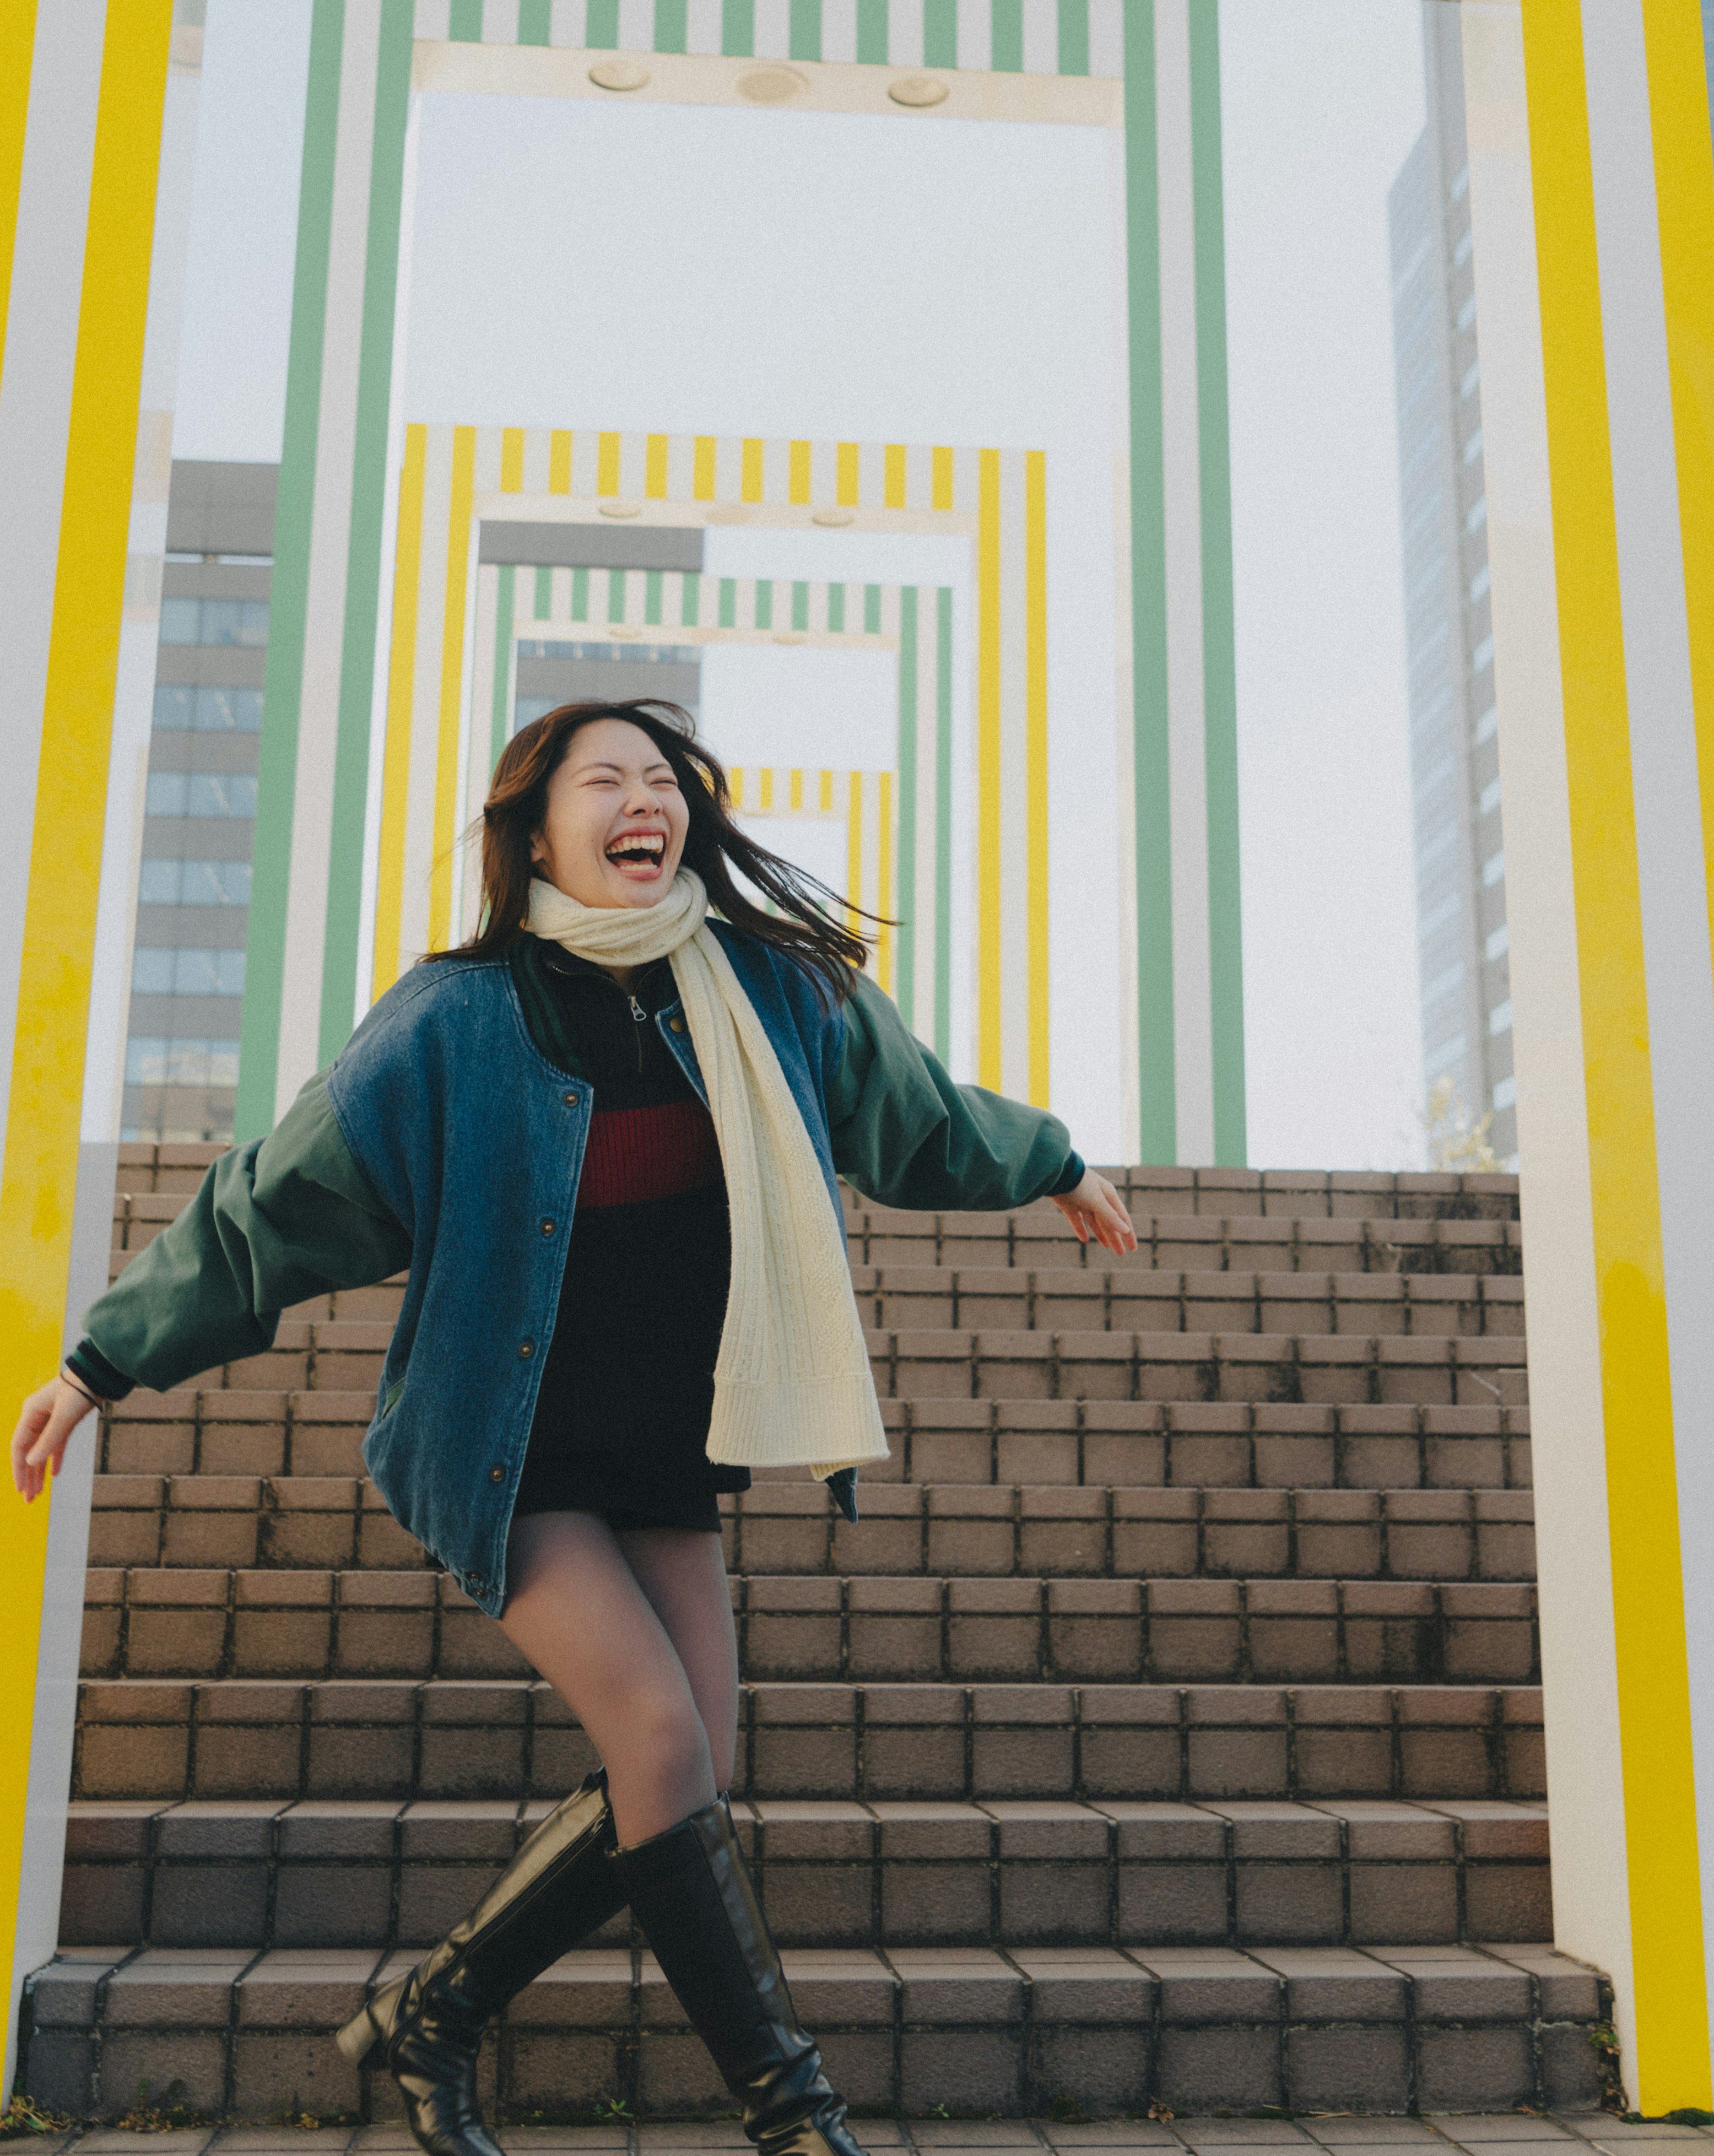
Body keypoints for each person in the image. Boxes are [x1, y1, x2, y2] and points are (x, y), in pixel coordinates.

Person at [13, 699, 1135, 2156]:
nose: (640, 798)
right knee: (661, 1736)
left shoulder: (773, 992)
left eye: (661, 779)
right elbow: (272, 1207)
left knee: (690, 1768)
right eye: (604, 778)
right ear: (535, 827)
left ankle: (435, 2014)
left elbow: (911, 1117)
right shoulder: (453, 1019)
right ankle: (795, 2119)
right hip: (512, 1443)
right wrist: (103, 1361)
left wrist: (1051, 1159)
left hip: (668, 1437)